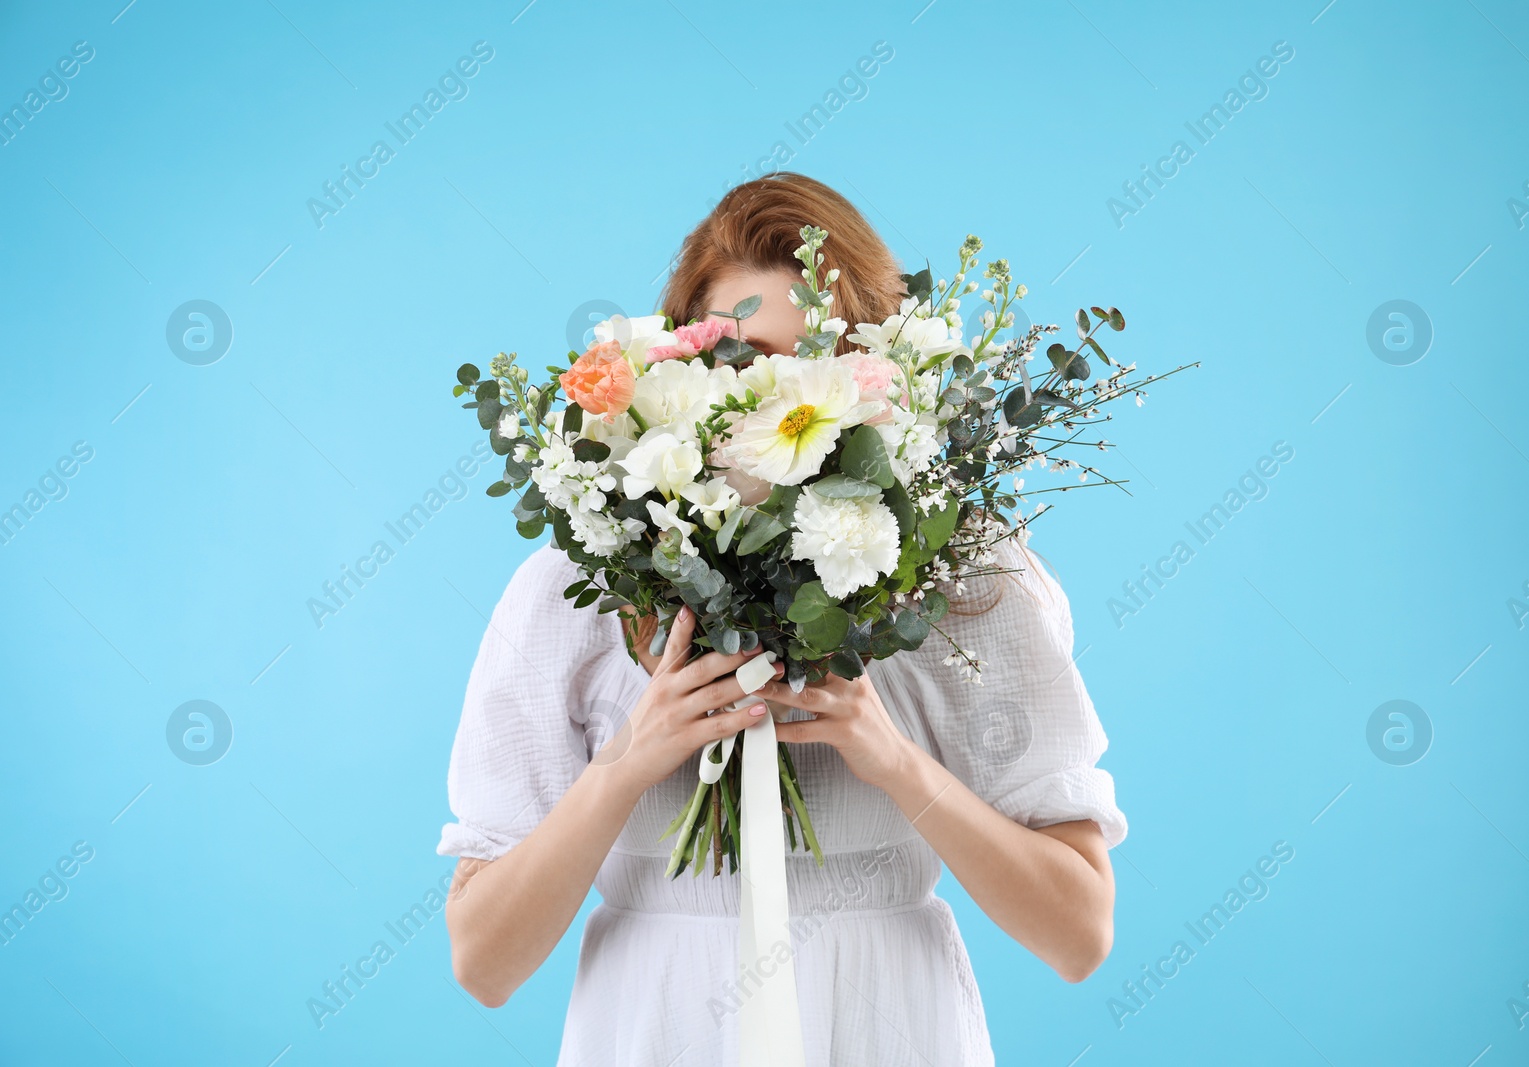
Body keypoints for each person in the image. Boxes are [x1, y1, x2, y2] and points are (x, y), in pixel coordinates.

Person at [438, 173, 1126, 1066]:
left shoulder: (966, 581)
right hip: (654, 1028)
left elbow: (1079, 934)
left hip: (888, 1024)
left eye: (821, 364)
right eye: (746, 357)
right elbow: (484, 962)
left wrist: (891, 758)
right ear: (669, 368)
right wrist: (630, 759)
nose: (781, 400)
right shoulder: (572, 592)